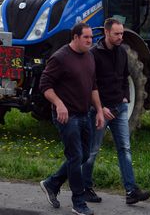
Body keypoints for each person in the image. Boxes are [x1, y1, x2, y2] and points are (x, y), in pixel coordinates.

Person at [81, 18, 150, 205]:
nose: (120, 37)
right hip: (99, 111)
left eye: (122, 34)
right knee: (92, 151)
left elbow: (124, 77)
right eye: (116, 34)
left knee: (125, 149)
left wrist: (125, 97)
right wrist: (100, 108)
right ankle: (84, 188)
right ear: (106, 33)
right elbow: (89, 85)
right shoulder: (93, 54)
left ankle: (131, 191)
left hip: (119, 109)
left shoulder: (122, 52)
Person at [39, 23, 105, 215]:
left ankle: (52, 183)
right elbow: (45, 85)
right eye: (86, 38)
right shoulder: (60, 58)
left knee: (84, 155)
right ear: (75, 37)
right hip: (66, 116)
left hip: (85, 114)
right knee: (75, 157)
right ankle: (79, 202)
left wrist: (99, 110)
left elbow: (93, 86)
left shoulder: (89, 56)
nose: (90, 41)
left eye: (91, 37)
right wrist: (59, 104)